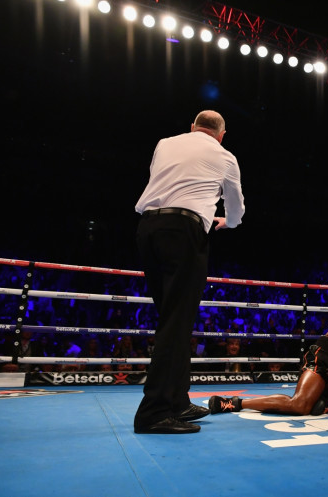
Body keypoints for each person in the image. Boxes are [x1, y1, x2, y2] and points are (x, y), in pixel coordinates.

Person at [133, 110, 245, 434]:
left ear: (192, 127)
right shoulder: (225, 156)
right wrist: (229, 222)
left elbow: (163, 179)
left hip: (149, 229)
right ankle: (153, 412)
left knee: (173, 320)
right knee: (176, 322)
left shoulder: (165, 143)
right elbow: (236, 205)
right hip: (184, 231)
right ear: (221, 134)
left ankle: (178, 402)